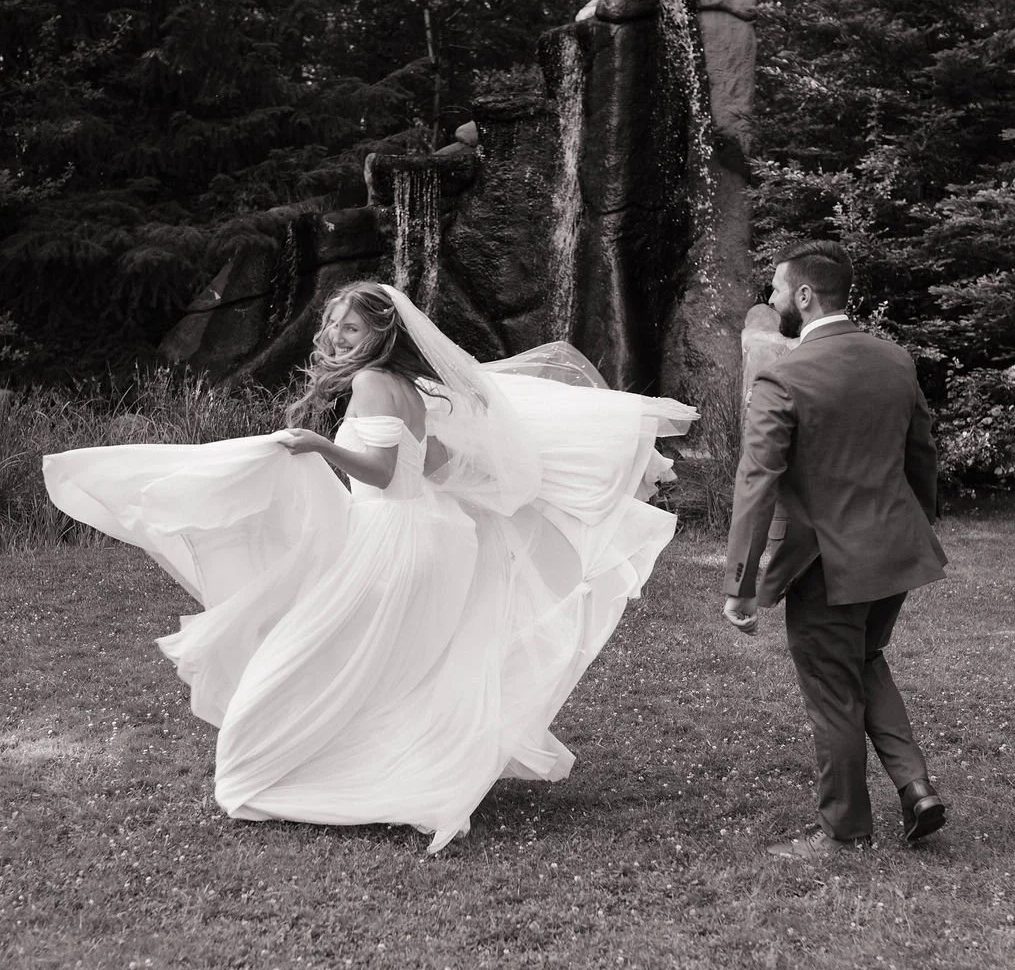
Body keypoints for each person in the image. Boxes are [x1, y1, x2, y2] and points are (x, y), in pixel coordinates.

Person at [44, 282, 697, 854]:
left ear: (382, 332)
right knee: (388, 672)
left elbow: (383, 473)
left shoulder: (373, 383)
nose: (335, 335)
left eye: (349, 326)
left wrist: (316, 444)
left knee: (300, 657)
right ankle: (404, 770)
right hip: (429, 538)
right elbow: (431, 464)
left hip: (395, 545)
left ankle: (294, 774)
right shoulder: (413, 389)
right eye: (333, 325)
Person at [721, 239, 948, 860]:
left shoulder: (783, 375)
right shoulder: (895, 359)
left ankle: (844, 833)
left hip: (828, 564)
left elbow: (757, 481)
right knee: (865, 658)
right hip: (892, 553)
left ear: (803, 294)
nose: (768, 298)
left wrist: (740, 584)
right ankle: (916, 786)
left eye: (775, 287)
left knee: (832, 690)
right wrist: (916, 527)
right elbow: (921, 454)